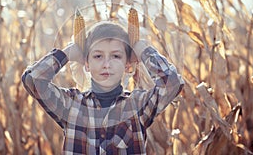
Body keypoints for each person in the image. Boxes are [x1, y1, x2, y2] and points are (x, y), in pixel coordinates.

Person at [22, 21, 184, 154]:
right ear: (86, 63)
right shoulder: (71, 106)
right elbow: (33, 80)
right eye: (98, 56)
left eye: (116, 56)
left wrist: (142, 50)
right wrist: (66, 54)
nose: (106, 65)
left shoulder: (138, 106)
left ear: (128, 64)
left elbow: (172, 83)